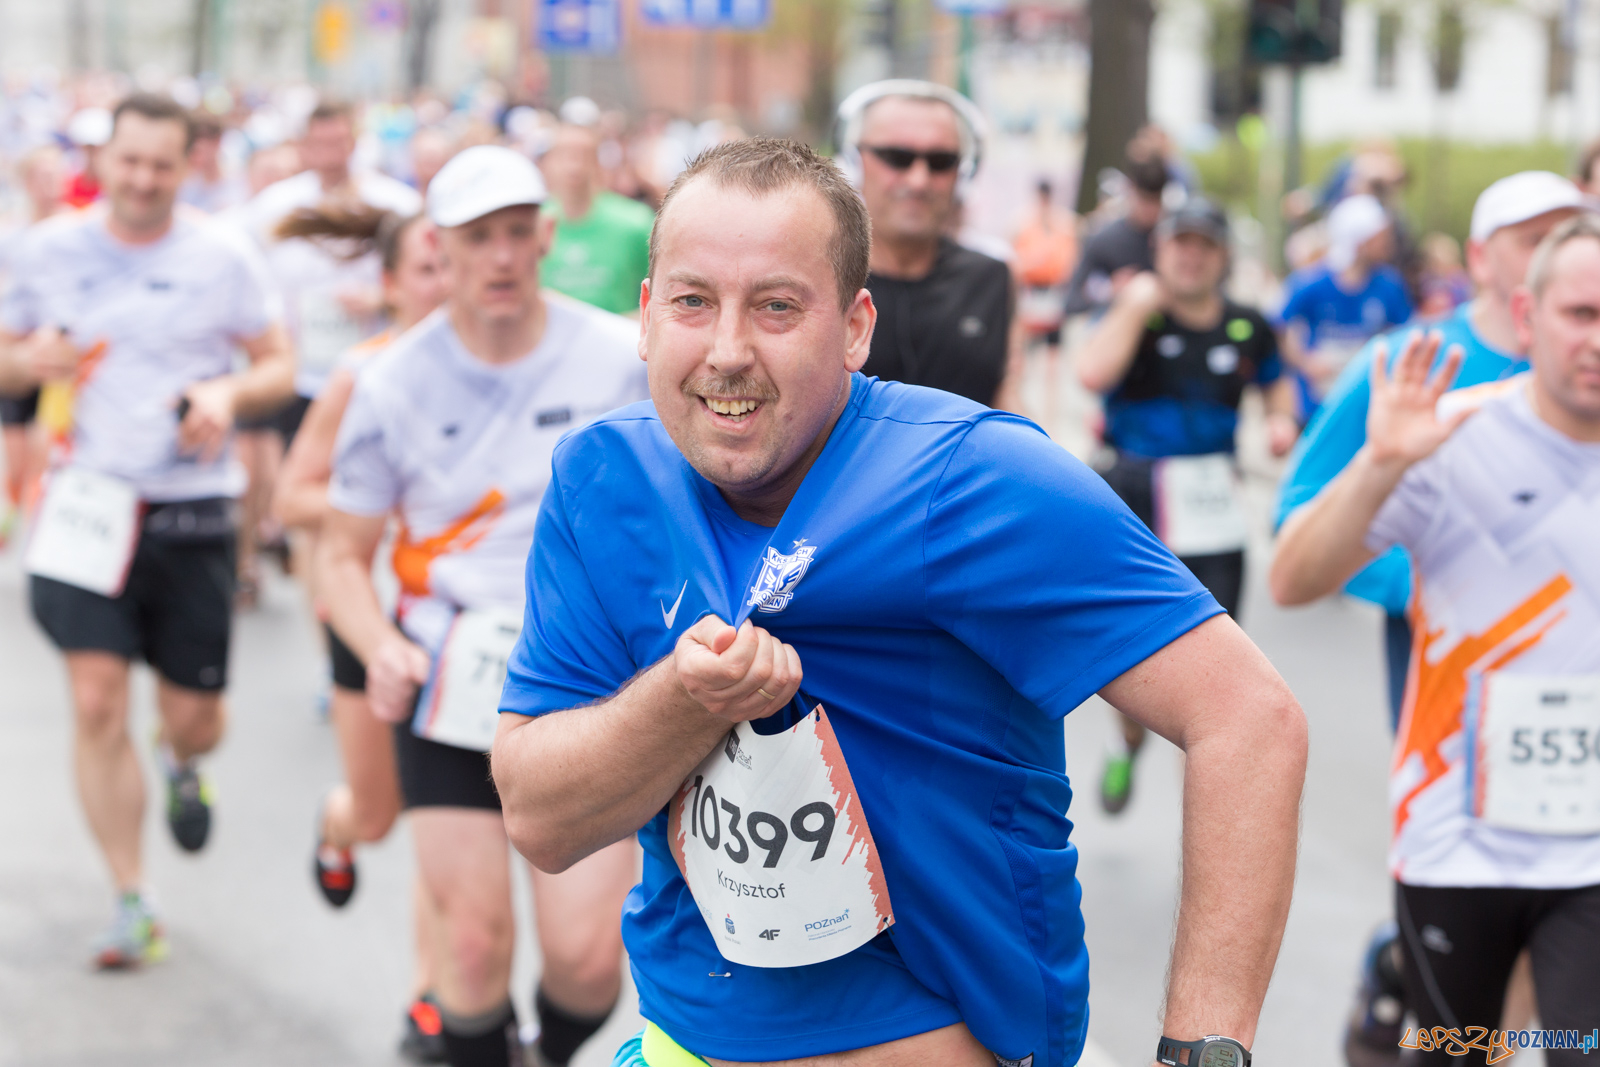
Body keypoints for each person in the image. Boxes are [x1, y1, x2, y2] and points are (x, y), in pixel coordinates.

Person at [492, 137, 1307, 1067]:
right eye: (692, 301)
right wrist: (681, 704)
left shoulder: (973, 477)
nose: (727, 351)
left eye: (776, 307)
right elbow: (541, 819)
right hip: (682, 1036)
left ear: (854, 326)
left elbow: (1250, 717)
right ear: (645, 316)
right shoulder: (605, 480)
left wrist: (1202, 1048)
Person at [319, 145, 644, 1067]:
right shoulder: (391, 382)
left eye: (515, 234)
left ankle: (542, 1052)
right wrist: (378, 644)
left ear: (544, 236)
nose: (500, 258)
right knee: (469, 947)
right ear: (439, 246)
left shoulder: (618, 356)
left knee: (587, 961)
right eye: (477, 239)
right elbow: (341, 556)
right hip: (450, 677)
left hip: (590, 682)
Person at [1269, 213, 1600, 1067]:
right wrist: (1381, 464)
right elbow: (1293, 578)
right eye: (1581, 314)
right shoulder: (1448, 435)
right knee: (1460, 1051)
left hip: (1591, 847)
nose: (1597, 338)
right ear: (1528, 319)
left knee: (1577, 1048)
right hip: (1457, 833)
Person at [0, 93, 293, 967]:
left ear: (187, 165)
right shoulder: (45, 248)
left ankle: (182, 760)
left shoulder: (222, 256)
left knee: (193, 714)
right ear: (104, 160)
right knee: (94, 700)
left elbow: (277, 364)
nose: (143, 179)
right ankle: (133, 896)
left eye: (162, 164)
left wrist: (225, 395)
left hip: (194, 509)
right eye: (129, 161)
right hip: (86, 503)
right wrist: (24, 362)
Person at [272, 207, 450, 1063]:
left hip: (465, 633)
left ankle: (434, 994)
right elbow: (291, 498)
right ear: (389, 285)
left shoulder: (522, 373)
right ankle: (336, 824)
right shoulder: (363, 373)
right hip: (369, 616)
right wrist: (371, 501)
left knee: (449, 818)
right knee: (381, 813)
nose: (450, 282)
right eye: (428, 267)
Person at [1076, 197, 1299, 815]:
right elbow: (1092, 373)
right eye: (1180, 243)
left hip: (1212, 502)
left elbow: (1277, 386)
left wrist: (1280, 421)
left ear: (1223, 256)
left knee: (1218, 664)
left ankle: (1202, 807)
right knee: (1130, 652)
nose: (1190, 256)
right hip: (1135, 494)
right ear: (1160, 250)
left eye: (1204, 245)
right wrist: (1136, 303)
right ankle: (1126, 740)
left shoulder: (1248, 325)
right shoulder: (1134, 315)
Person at [837, 79, 1023, 410]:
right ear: (853, 163)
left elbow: (1008, 398)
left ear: (963, 174)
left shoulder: (991, 278)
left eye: (940, 161)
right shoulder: (822, 276)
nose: (919, 180)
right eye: (898, 157)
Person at [1277, 194, 1413, 417]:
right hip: (1316, 405)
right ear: (1359, 240)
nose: (1388, 243)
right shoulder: (1311, 281)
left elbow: (1404, 331)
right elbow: (1277, 325)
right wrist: (1304, 362)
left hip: (1366, 402)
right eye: (1380, 236)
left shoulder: (1389, 284)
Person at [0, 143, 67, 545]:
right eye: (42, 177)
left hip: (60, 359)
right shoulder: (11, 234)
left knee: (47, 449)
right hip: (18, 354)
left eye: (56, 176)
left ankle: (40, 527)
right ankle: (13, 511)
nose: (51, 185)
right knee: (17, 451)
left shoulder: (75, 230)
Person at [537, 123, 655, 317]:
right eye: (563, 155)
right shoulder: (530, 225)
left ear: (597, 163)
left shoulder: (635, 223)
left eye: (583, 155)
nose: (573, 165)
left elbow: (662, 296)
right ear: (545, 163)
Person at [1062, 148, 1166, 319]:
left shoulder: (1170, 240)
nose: (1150, 210)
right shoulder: (1103, 240)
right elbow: (1072, 301)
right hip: (1114, 325)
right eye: (1144, 199)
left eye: (1155, 201)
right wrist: (1109, 290)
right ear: (1130, 190)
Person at [1011, 178, 1079, 358]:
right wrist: (1032, 261)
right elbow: (1014, 257)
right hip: (1029, 289)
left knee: (1053, 345)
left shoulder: (1064, 222)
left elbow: (1070, 258)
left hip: (1053, 290)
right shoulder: (1023, 220)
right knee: (1021, 343)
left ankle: (1051, 386)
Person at [179, 111, 247, 214]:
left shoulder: (239, 182)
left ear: (217, 141)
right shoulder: (185, 180)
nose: (193, 156)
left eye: (198, 150)